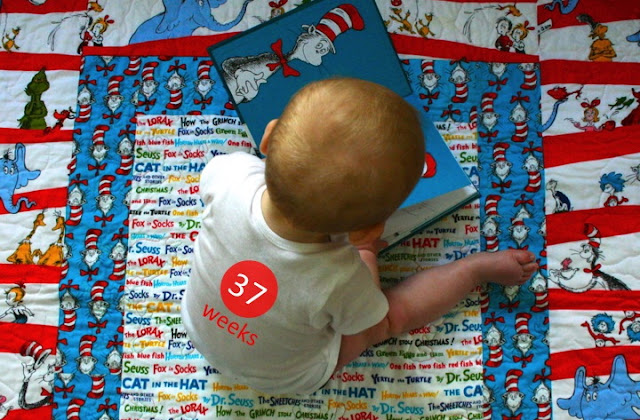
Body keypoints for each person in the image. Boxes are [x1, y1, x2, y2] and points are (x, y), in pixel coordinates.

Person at [181, 77, 537, 395]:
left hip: (199, 330)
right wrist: (364, 252)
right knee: (388, 319)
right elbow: (365, 319)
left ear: (269, 137)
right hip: (287, 377)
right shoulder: (342, 278)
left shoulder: (229, 174)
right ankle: (472, 271)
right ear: (367, 230)